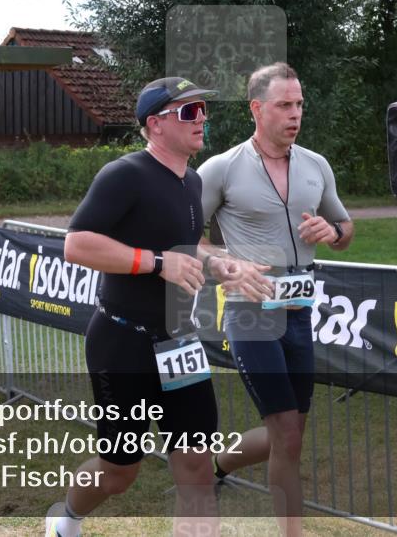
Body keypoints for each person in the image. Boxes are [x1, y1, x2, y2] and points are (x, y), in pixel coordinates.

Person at [47, 77, 224, 537]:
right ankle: (66, 518)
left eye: (202, 109)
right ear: (155, 124)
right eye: (188, 111)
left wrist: (222, 263)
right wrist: (158, 263)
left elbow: (184, 244)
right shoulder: (124, 174)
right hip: (122, 342)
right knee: (120, 471)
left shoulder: (192, 180)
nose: (202, 118)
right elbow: (76, 245)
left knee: (197, 463)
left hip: (179, 341)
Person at [196, 62, 354, 537]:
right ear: (257, 109)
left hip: (300, 311)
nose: (295, 113)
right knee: (285, 431)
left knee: (290, 434)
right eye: (284, 105)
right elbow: (182, 238)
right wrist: (229, 263)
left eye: (299, 104)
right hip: (250, 313)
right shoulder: (221, 168)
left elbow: (345, 229)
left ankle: (218, 464)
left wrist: (332, 232)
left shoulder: (316, 165)